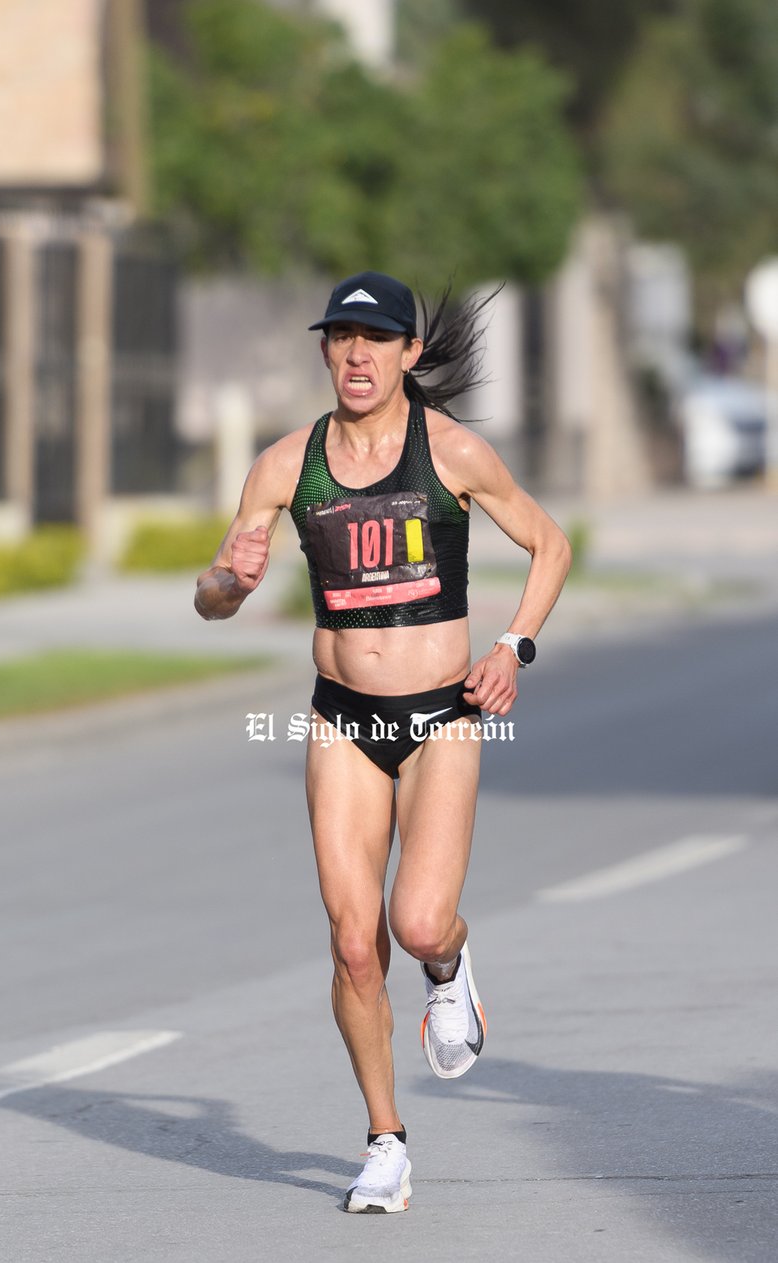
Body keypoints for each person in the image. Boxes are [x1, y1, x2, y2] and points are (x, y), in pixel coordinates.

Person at [195, 271, 571, 1213]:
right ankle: (385, 1140)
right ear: (326, 351)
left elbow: (550, 544)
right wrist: (226, 583)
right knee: (355, 944)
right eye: (341, 337)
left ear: (409, 353)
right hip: (340, 720)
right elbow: (212, 596)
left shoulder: (452, 452)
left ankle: (450, 967)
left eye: (377, 338)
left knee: (415, 924)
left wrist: (513, 645)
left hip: (443, 716)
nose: (356, 353)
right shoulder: (287, 464)